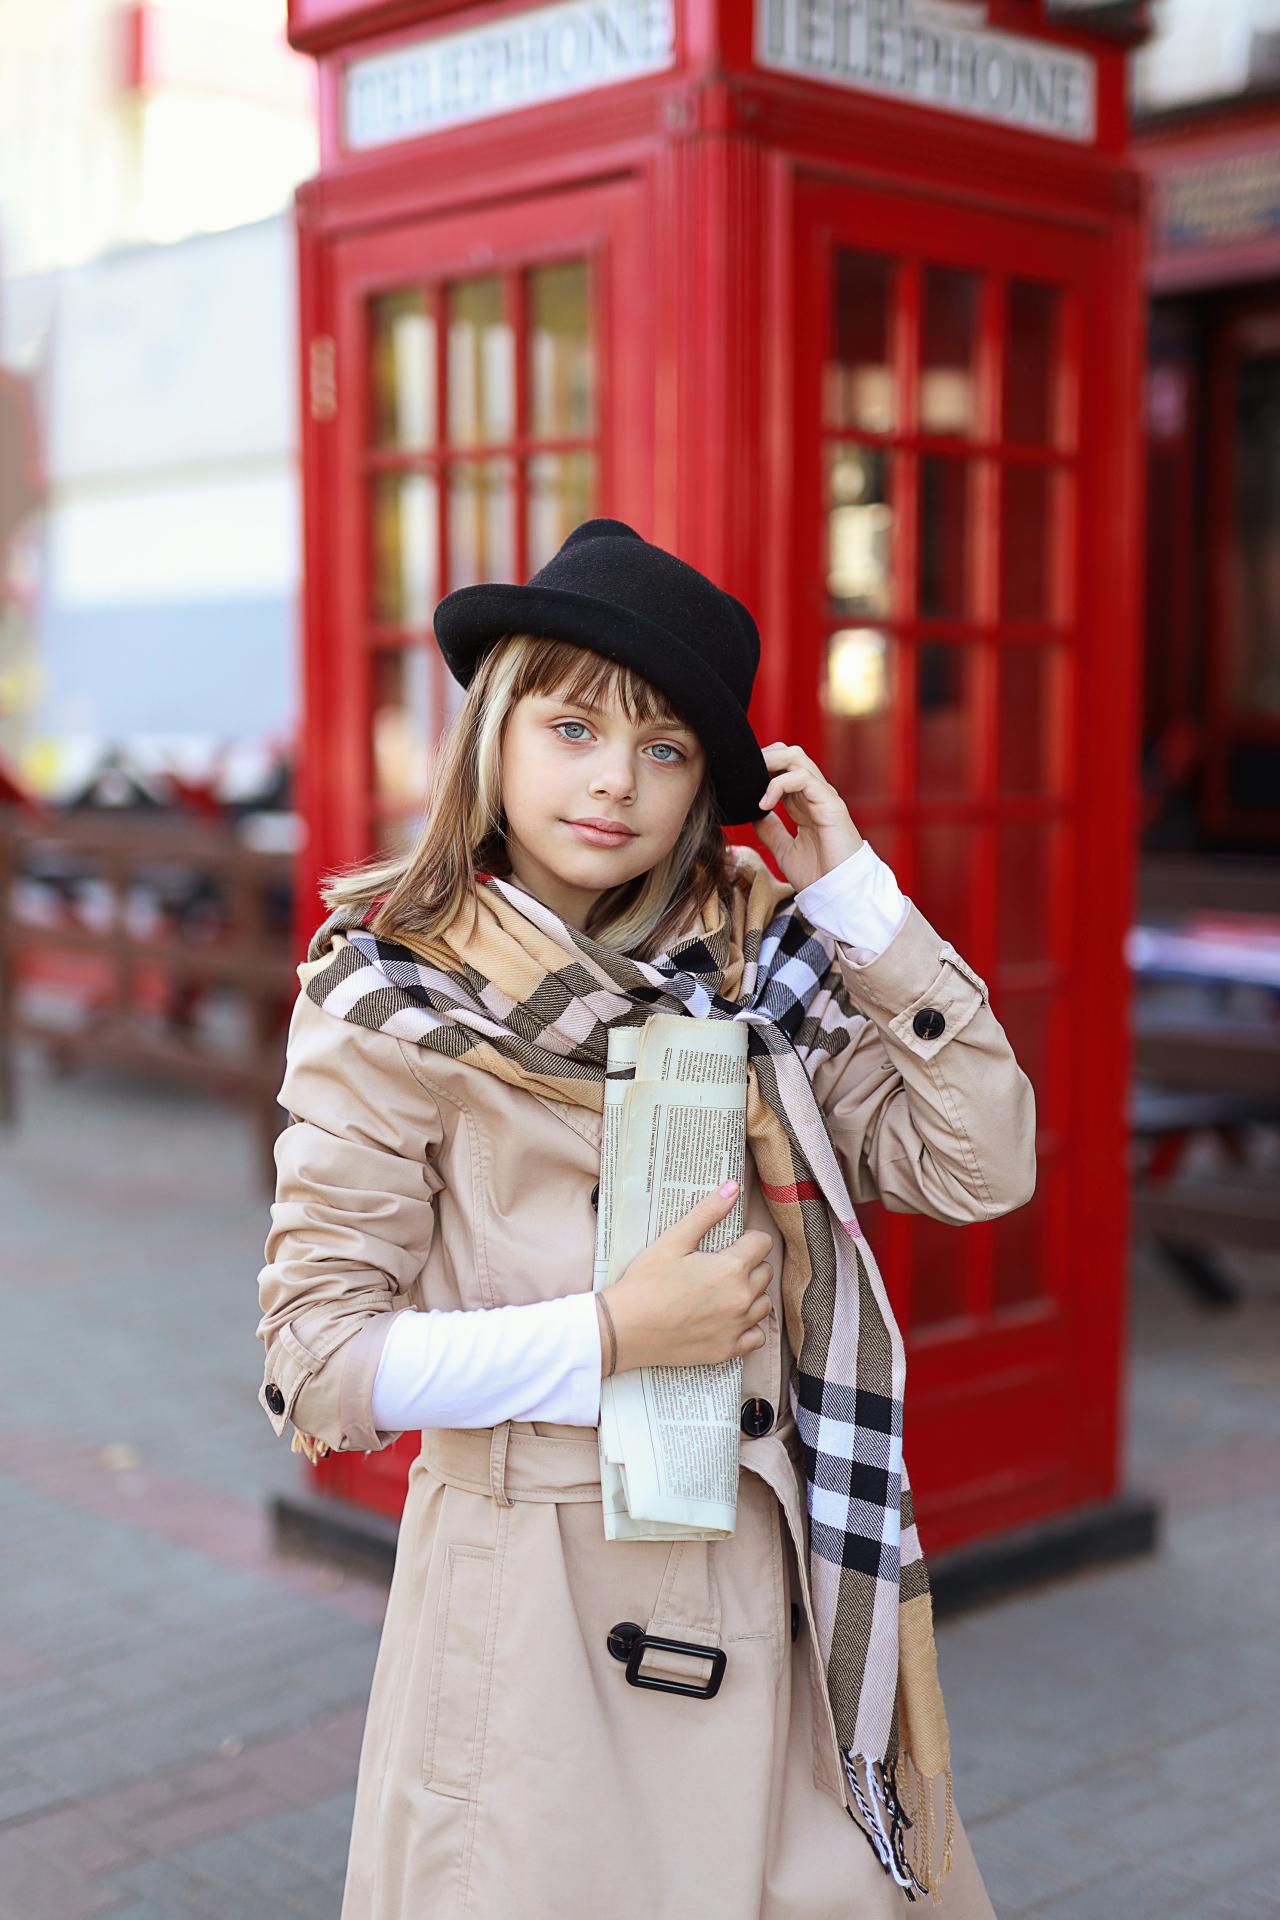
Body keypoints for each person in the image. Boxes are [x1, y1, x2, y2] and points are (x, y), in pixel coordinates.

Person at [255, 518, 1034, 1920]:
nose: (615, 779)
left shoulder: (760, 964)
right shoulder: (390, 995)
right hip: (534, 1620)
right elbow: (315, 1367)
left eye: (665, 750)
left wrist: (858, 900)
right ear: (494, 735)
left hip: (765, 1586)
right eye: (573, 729)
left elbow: (981, 1166)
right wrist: (612, 1335)